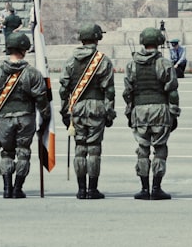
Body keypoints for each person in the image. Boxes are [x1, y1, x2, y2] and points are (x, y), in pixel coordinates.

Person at [0, 32, 49, 199]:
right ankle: (17, 188)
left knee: (6, 153)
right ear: (24, 50)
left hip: (5, 118)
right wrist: (46, 115)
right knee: (23, 152)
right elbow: (41, 97)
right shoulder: (32, 73)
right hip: (25, 117)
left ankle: (6, 188)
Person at [59, 23, 116, 199]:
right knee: (94, 149)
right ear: (97, 38)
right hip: (96, 107)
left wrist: (65, 112)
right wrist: (109, 112)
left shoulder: (70, 61)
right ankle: (92, 189)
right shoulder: (103, 61)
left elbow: (64, 89)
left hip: (77, 108)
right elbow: (110, 91)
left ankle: (81, 189)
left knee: (80, 148)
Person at [124, 26, 180, 201]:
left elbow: (128, 92)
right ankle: (156, 188)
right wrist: (174, 113)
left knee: (142, 149)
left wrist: (129, 113)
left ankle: (143, 188)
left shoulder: (132, 64)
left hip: (139, 110)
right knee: (160, 148)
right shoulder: (164, 63)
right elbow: (172, 91)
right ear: (159, 43)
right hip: (159, 110)